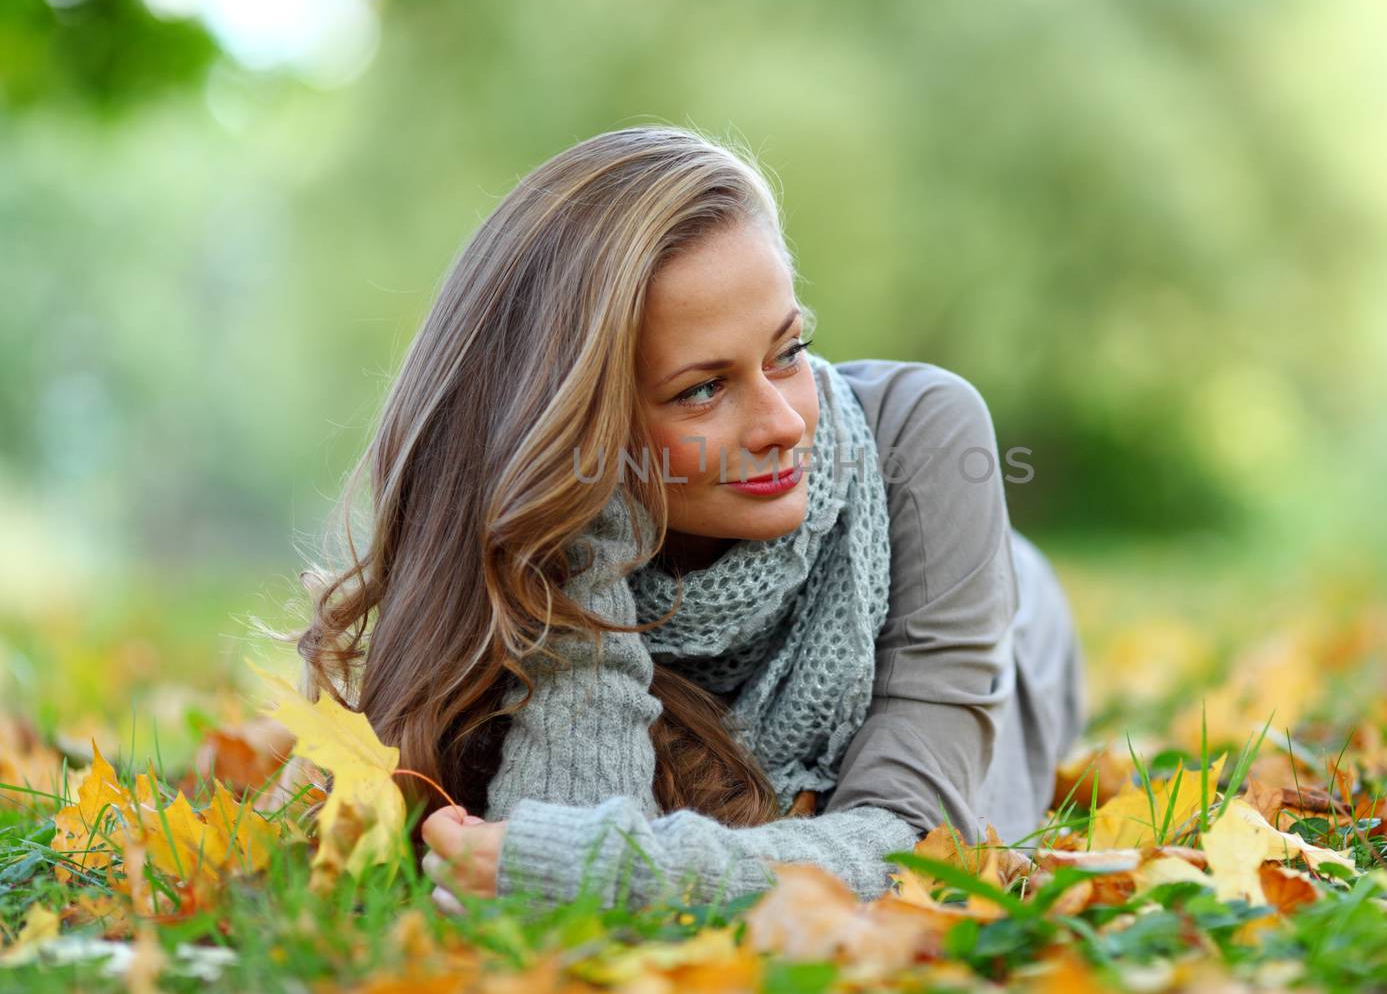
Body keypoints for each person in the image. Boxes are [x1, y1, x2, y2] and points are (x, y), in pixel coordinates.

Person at [285, 124, 1085, 917]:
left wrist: (625, 872)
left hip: (1006, 632)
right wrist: (582, 545)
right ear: (581, 425)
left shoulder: (927, 432)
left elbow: (918, 849)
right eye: (702, 389)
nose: (784, 424)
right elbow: (554, 832)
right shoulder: (560, 518)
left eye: (790, 350)